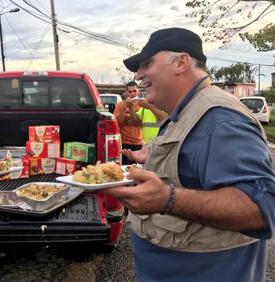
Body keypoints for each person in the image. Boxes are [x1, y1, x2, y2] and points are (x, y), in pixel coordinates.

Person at [102, 27, 275, 282]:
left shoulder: (220, 119)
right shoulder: (185, 112)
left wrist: (168, 199)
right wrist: (152, 161)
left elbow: (262, 209)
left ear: (181, 62)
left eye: (147, 64)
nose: (138, 76)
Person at [113, 81, 142, 164]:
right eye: (129, 91)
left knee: (139, 168)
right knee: (126, 168)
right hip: (125, 142)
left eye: (134, 91)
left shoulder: (142, 105)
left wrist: (132, 108)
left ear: (138, 91)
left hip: (139, 142)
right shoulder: (120, 105)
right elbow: (117, 123)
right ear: (125, 93)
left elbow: (138, 123)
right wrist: (124, 112)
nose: (132, 94)